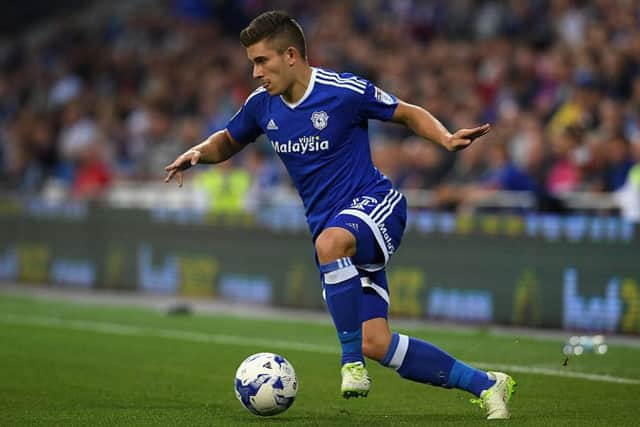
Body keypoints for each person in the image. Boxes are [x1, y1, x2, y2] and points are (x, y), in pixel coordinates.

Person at [164, 10, 515, 420]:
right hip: (336, 237)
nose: (256, 72)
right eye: (252, 64)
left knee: (331, 244)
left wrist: (445, 137)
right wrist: (197, 154)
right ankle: (488, 384)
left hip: (376, 205)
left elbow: (405, 111)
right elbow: (227, 140)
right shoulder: (262, 106)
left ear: (290, 55)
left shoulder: (342, 90)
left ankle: (351, 365)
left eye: (262, 61)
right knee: (376, 341)